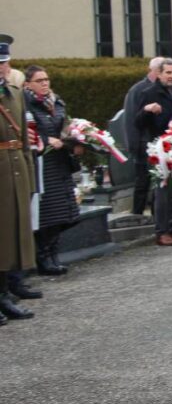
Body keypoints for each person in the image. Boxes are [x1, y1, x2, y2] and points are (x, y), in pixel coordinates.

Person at [24, 65, 83, 277]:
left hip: (60, 163)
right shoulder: (26, 104)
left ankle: (53, 254)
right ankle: (43, 257)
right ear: (27, 84)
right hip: (43, 164)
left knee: (65, 214)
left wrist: (75, 138)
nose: (44, 83)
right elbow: (27, 131)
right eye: (39, 80)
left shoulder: (56, 102)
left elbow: (64, 126)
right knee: (48, 214)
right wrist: (44, 140)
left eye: (46, 79)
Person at [0, 34, 38, 323]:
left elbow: (24, 140)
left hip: (15, 171)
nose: (3, 68)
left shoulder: (13, 94)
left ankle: (4, 294)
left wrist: (29, 179)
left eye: (5, 63)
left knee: (12, 236)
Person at [135, 58, 172, 246]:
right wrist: (147, 110)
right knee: (163, 190)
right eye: (168, 73)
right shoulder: (148, 93)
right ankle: (161, 231)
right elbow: (137, 123)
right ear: (159, 74)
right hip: (158, 149)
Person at [123, 57, 163, 215]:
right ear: (154, 71)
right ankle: (137, 215)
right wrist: (134, 145)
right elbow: (131, 119)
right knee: (142, 183)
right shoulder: (138, 90)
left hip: (158, 144)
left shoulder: (163, 88)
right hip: (143, 144)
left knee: (157, 183)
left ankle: (156, 216)